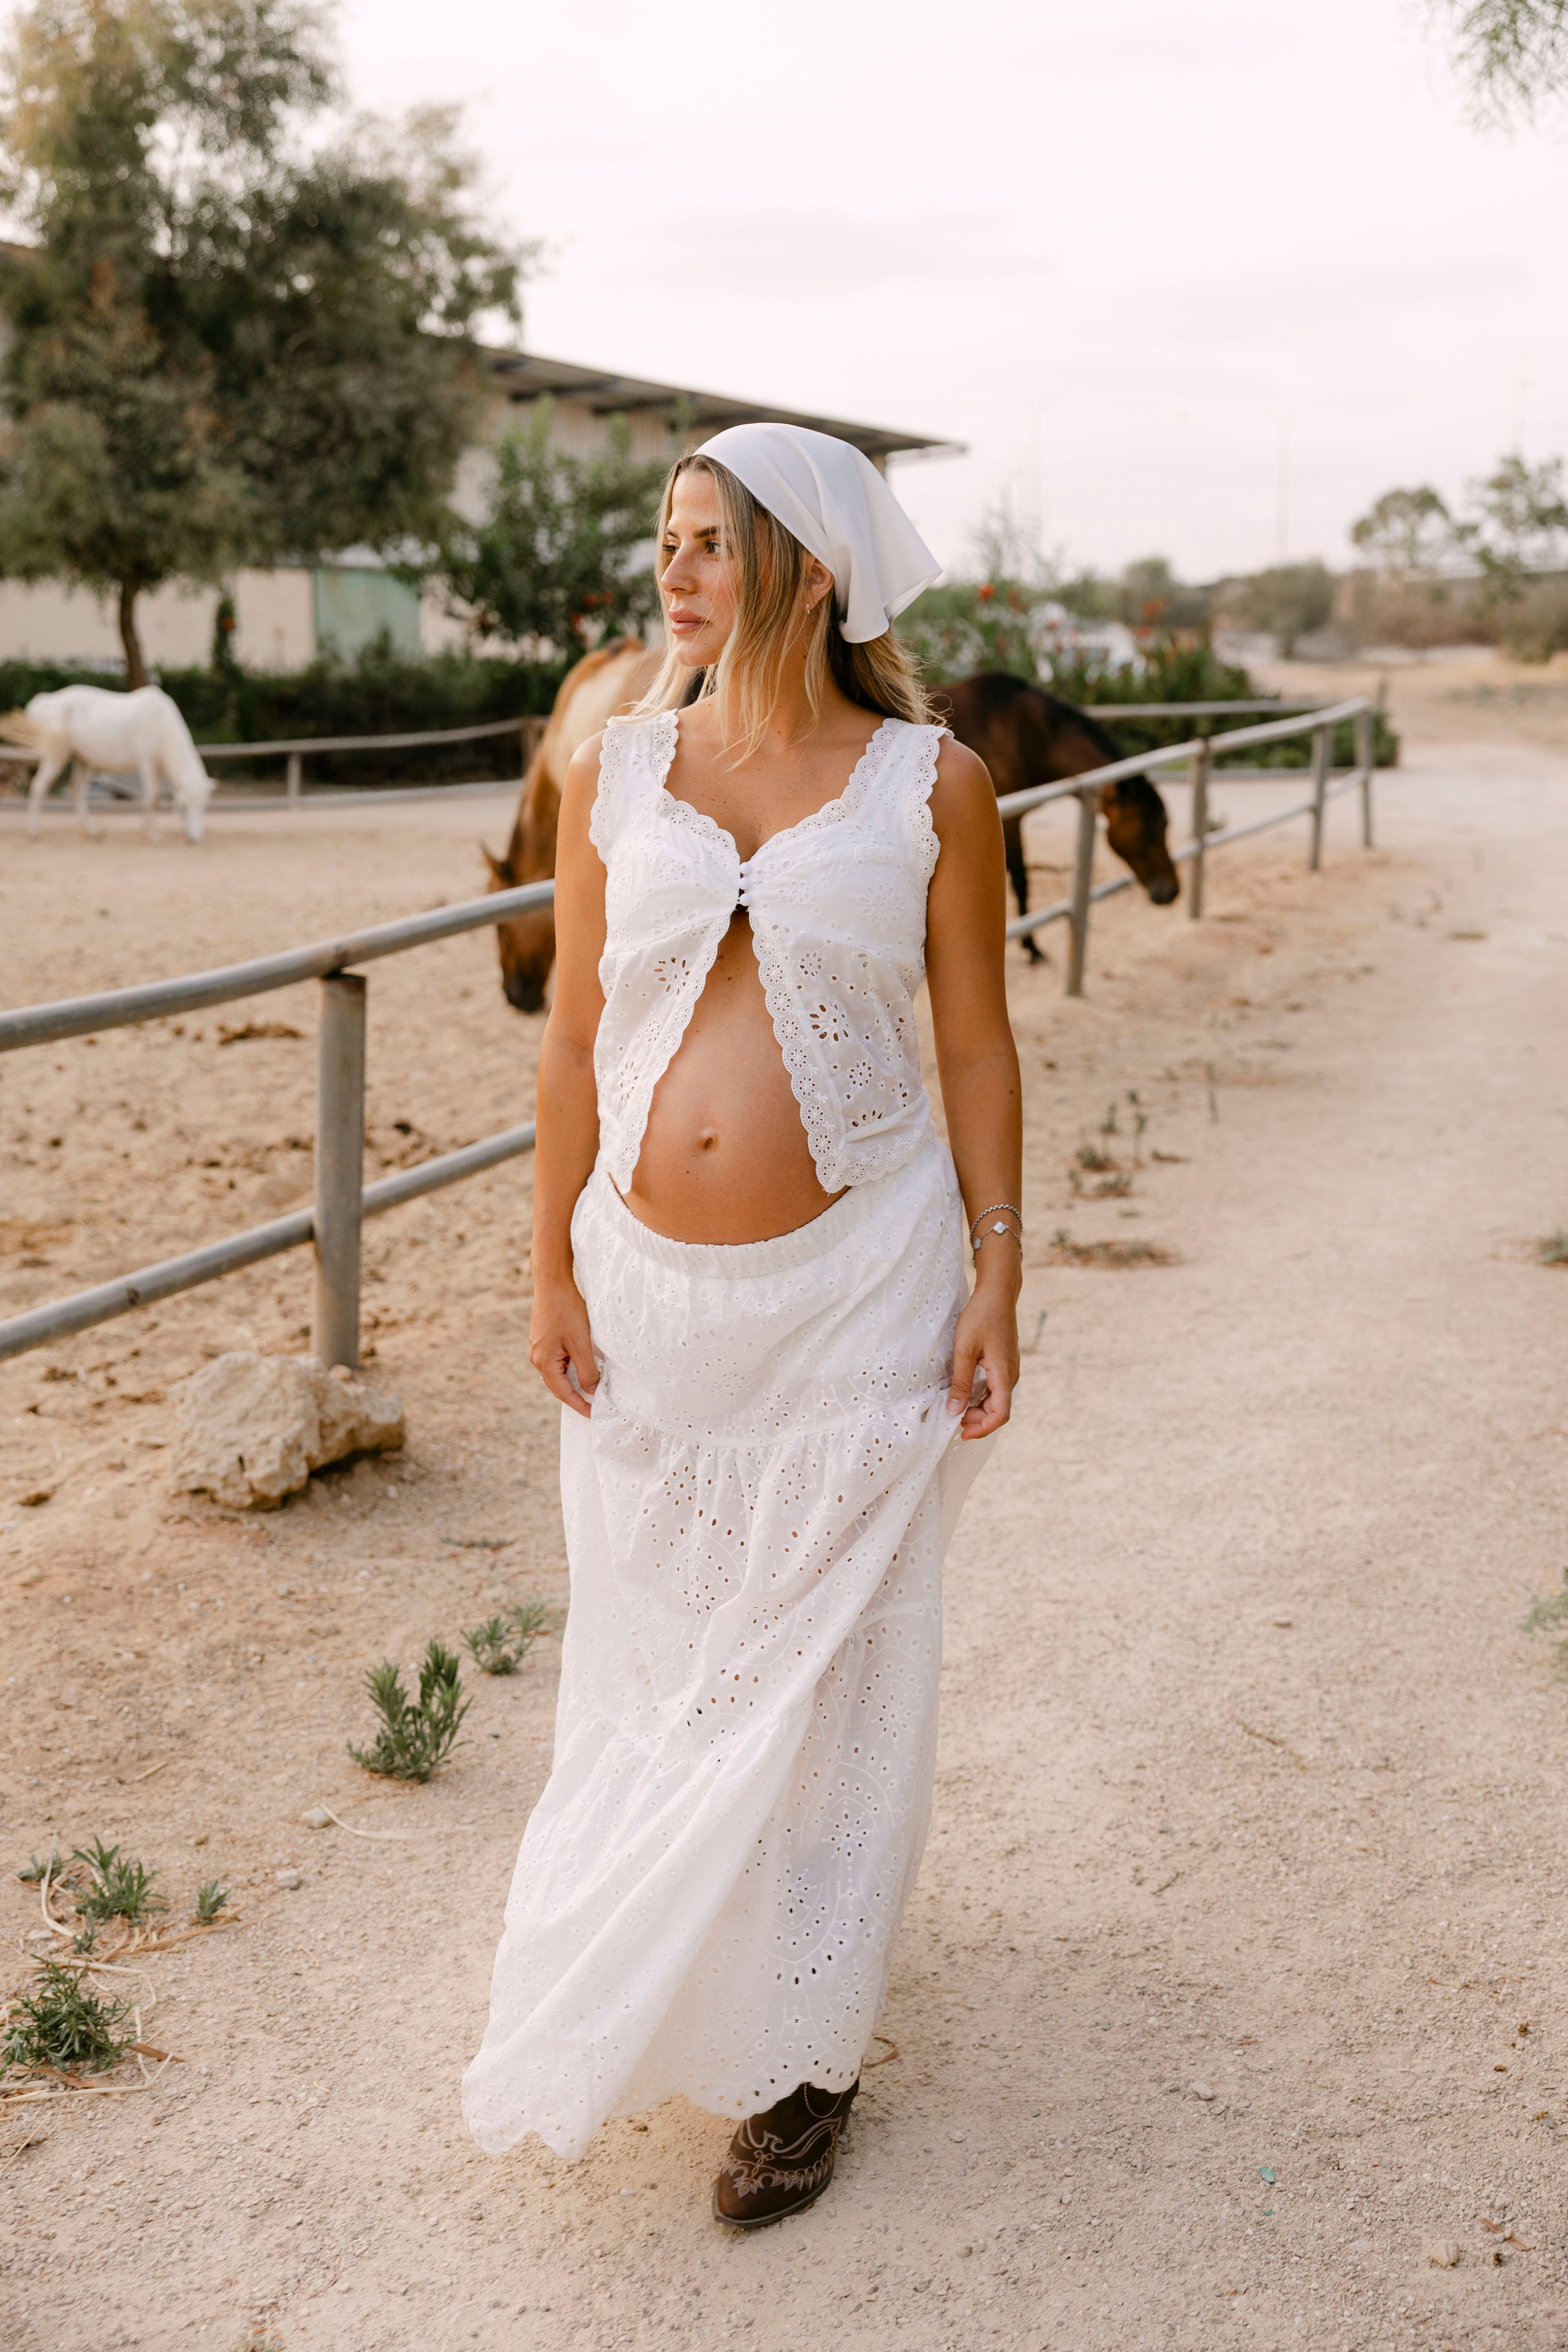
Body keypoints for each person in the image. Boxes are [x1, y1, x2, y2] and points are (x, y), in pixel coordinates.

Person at [462, 422, 1023, 2228]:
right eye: (669, 536)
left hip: (864, 1285)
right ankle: (666, 1977)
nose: (675, 568)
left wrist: (1000, 1270)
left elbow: (975, 1046)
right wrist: (548, 1267)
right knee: (661, 1659)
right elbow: (571, 1037)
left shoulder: (932, 786)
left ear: (808, 567)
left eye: (711, 538)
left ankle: (801, 2063)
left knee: (840, 1679)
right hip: (650, 1299)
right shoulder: (621, 766)